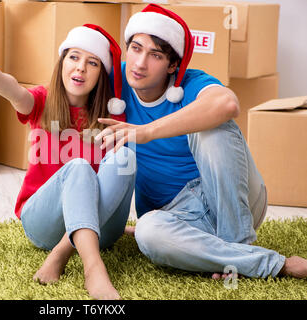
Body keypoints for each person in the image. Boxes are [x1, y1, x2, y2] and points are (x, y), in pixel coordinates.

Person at [96, 4, 307, 280]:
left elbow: (227, 103)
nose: (139, 63)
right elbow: (66, 89)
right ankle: (252, 260)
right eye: (136, 48)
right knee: (148, 232)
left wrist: (146, 131)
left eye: (155, 55)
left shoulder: (191, 82)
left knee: (212, 124)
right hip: (179, 216)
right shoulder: (114, 82)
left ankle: (238, 244)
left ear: (173, 65)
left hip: (232, 198)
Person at [0, 24, 137, 300]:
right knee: (80, 167)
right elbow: (15, 92)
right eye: (73, 57)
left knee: (126, 157)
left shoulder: (111, 113)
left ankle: (62, 252)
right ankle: (93, 269)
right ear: (62, 62)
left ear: (101, 73)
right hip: (43, 223)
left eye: (92, 62)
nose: (80, 67)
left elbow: (117, 178)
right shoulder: (41, 100)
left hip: (98, 231)